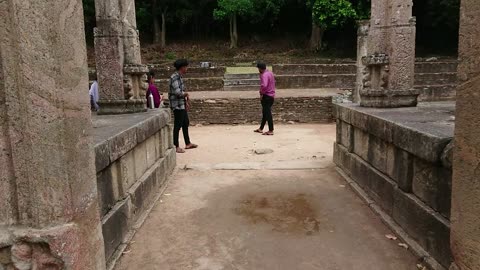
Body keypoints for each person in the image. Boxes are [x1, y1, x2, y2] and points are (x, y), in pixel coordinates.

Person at [169, 59, 198, 153]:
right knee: (177, 125)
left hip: (181, 103)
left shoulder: (180, 77)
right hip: (177, 104)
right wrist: (186, 94)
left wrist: (186, 100)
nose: (187, 69)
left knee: (185, 122)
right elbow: (178, 92)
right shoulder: (174, 77)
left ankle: (188, 143)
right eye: (186, 67)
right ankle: (175, 146)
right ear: (182, 67)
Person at [254, 61, 276, 136]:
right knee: (265, 112)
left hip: (266, 96)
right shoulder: (270, 73)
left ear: (260, 68)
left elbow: (264, 85)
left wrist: (261, 93)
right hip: (271, 95)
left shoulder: (264, 75)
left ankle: (271, 129)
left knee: (268, 113)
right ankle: (261, 128)